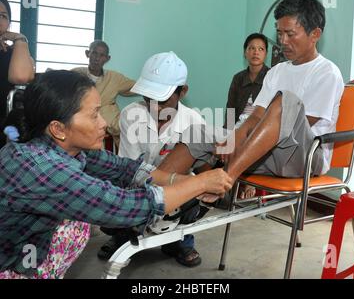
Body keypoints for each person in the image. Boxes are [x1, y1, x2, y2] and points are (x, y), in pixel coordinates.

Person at [0, 70, 232, 279]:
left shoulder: (70, 149)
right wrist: (201, 183)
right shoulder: (41, 168)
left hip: (31, 252)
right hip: (12, 264)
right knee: (95, 210)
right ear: (58, 128)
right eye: (93, 115)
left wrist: (186, 182)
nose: (104, 123)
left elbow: (126, 168)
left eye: (100, 112)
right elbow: (126, 206)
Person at [157, 0, 344, 192]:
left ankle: (226, 179)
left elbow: (295, 125)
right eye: (279, 33)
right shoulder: (277, 71)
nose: (282, 41)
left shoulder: (326, 72)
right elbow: (256, 115)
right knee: (197, 132)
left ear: (315, 34)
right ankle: (155, 202)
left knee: (285, 101)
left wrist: (242, 142)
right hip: (267, 152)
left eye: (290, 34)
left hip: (304, 158)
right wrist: (236, 136)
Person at [97, 52, 206, 267]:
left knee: (192, 190)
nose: (154, 106)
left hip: (175, 184)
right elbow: (128, 166)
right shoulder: (131, 114)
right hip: (138, 180)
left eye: (162, 99)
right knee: (115, 190)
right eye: (148, 98)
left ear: (182, 92)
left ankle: (181, 241)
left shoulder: (194, 122)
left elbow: (191, 172)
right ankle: (122, 237)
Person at [73, 40, 135, 148]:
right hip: (85, 119)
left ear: (107, 58)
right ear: (88, 54)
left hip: (111, 120)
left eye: (102, 55)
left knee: (130, 130)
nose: (97, 58)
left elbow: (137, 87)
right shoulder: (76, 74)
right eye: (94, 53)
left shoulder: (114, 78)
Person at [0, 0, 34, 148]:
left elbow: (22, 77)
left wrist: (20, 39)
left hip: (5, 128)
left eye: (3, 16)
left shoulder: (13, 52)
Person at [224, 33, 269, 129]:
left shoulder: (272, 76)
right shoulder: (238, 78)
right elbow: (231, 110)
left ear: (266, 54)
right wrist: (227, 135)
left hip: (261, 130)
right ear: (245, 53)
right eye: (252, 48)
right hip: (238, 128)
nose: (256, 52)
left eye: (261, 49)